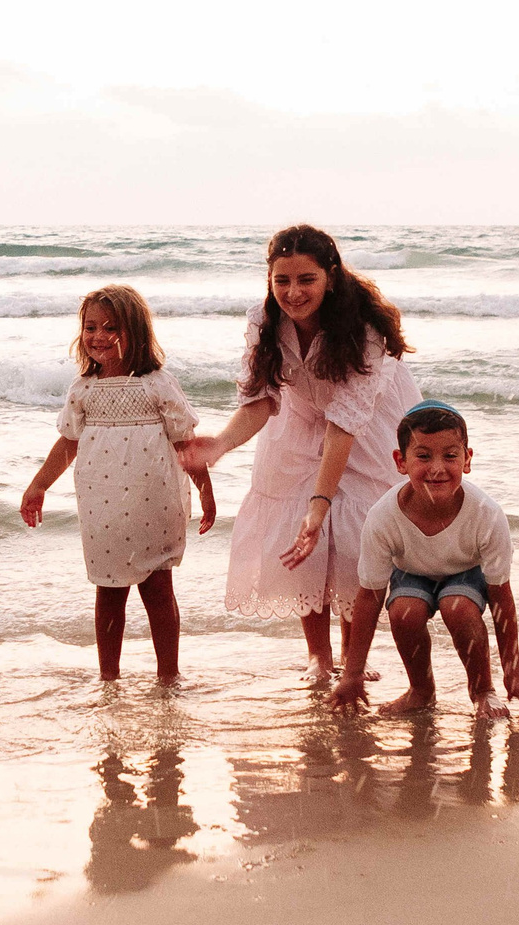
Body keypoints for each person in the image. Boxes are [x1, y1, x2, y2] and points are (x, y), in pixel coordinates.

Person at [180, 225, 422, 685]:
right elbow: (261, 400)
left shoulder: (364, 327)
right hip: (298, 415)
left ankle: (354, 653)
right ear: (269, 280)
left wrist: (321, 503)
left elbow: (345, 424)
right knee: (300, 536)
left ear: (330, 276)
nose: (293, 292)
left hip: (365, 422)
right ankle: (318, 655)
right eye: (282, 281)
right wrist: (220, 444)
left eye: (306, 280)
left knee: (352, 538)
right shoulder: (263, 320)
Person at [19, 285, 218, 682]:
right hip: (102, 504)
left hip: (153, 500)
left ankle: (168, 676)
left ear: (137, 333)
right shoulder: (84, 389)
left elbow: (185, 444)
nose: (99, 336)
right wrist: (38, 485)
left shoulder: (157, 384)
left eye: (112, 327)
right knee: (108, 591)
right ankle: (108, 678)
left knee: (159, 589)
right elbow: (68, 444)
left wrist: (206, 490)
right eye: (91, 327)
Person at [328, 403, 519, 720]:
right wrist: (352, 674)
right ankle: (421, 690)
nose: (437, 468)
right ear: (400, 461)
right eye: (423, 455)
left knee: (456, 604)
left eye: (450, 455)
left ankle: (483, 690)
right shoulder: (383, 516)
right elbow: (370, 596)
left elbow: (501, 596)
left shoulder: (486, 514)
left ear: (467, 459)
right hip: (412, 574)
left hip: (465, 574)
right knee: (403, 611)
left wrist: (514, 674)